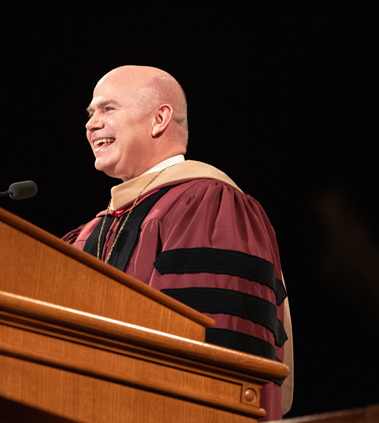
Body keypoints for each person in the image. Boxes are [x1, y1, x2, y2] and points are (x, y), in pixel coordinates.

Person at [63, 65, 293, 421]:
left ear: (160, 119)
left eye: (108, 109)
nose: (91, 124)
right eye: (91, 113)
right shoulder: (89, 232)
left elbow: (215, 343)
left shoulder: (210, 205)